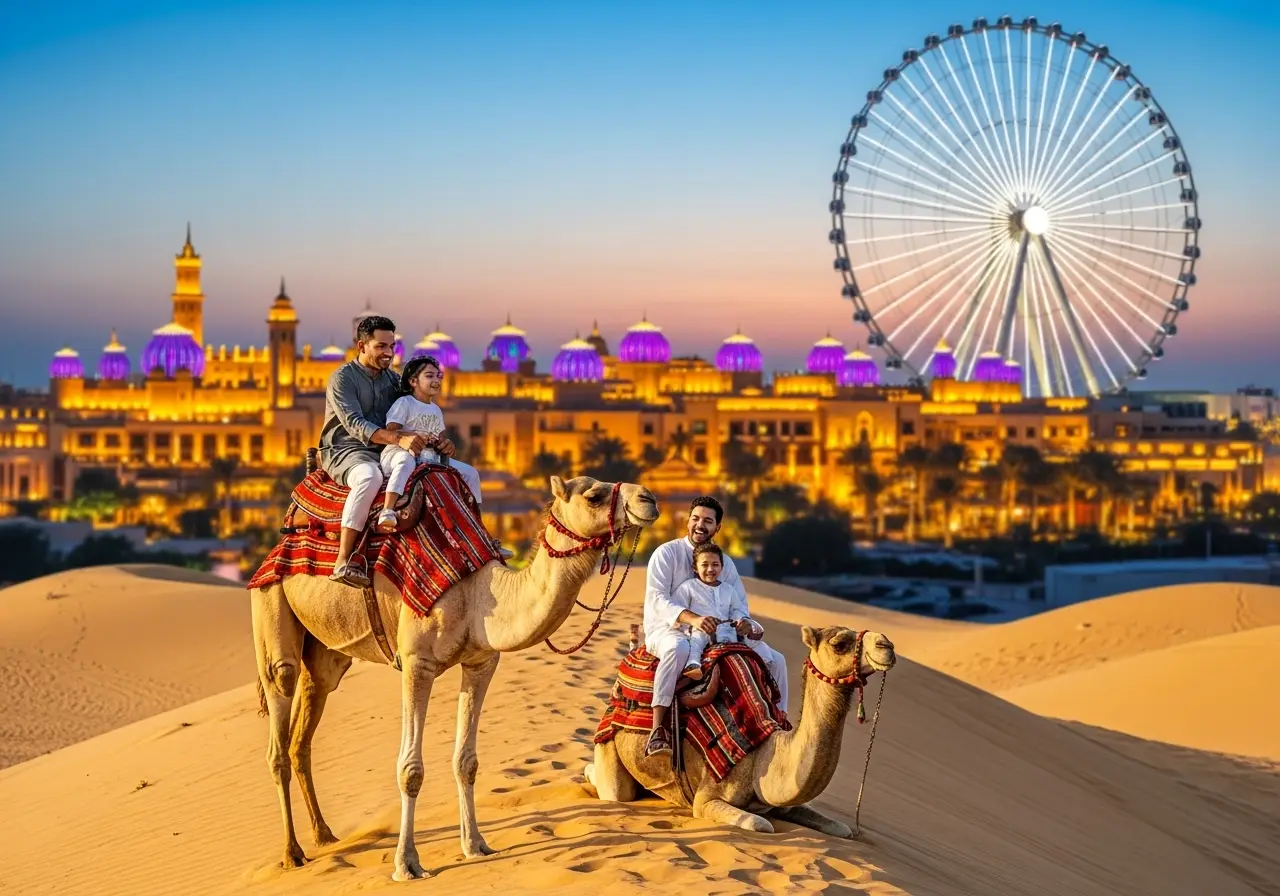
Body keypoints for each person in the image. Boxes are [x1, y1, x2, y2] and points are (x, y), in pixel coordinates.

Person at [641, 496, 789, 757]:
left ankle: (778, 723)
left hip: (721, 633)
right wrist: (694, 620)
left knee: (777, 660)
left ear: (717, 527)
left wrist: (743, 623)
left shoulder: (726, 563)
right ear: (688, 521)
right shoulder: (667, 554)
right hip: (669, 629)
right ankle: (657, 730)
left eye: (708, 521)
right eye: (696, 519)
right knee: (678, 649)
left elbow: (739, 604)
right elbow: (658, 599)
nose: (700, 525)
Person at [318, 315, 423, 588]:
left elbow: (413, 413)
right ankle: (344, 559)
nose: (389, 353)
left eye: (392, 346)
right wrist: (398, 439)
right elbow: (355, 424)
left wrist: (436, 438)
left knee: (435, 476)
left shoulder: (394, 381)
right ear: (361, 346)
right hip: (347, 450)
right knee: (369, 477)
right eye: (381, 346)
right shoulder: (343, 379)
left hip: (385, 450)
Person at [377, 356, 511, 558]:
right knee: (405, 462)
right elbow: (391, 431)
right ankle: (387, 510)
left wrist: (446, 445)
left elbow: (439, 438)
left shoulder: (436, 410)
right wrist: (413, 436)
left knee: (471, 473)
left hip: (428, 457)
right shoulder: (405, 403)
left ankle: (478, 529)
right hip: (398, 453)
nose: (436, 380)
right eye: (429, 376)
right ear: (413, 381)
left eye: (438, 376)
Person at [673, 542, 775, 673]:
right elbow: (677, 614)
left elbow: (737, 610)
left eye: (715, 564)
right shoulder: (688, 588)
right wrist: (696, 624)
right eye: (705, 565)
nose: (710, 569)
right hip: (701, 631)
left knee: (760, 648)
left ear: (721, 567)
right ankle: (693, 664)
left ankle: (765, 668)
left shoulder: (729, 589)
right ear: (695, 568)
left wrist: (740, 621)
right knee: (697, 640)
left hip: (727, 631)